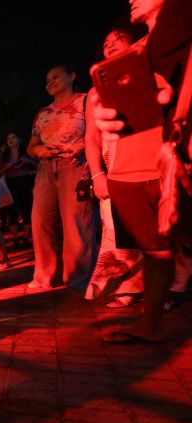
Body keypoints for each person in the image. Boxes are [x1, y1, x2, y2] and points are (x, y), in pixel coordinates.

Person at [91, 0, 184, 342]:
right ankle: (151, 324)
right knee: (155, 250)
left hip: (168, 162)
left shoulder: (176, 41)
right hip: (126, 170)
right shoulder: (134, 55)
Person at [84, 24, 146, 307]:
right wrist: (97, 174)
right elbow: (91, 138)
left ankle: (169, 287)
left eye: (118, 39)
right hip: (116, 166)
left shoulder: (147, 76)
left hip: (149, 160)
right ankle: (128, 286)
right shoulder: (96, 91)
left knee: (158, 229)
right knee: (115, 228)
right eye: (106, 41)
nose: (109, 44)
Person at [27, 64, 96, 291]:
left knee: (75, 223)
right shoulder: (43, 113)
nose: (50, 82)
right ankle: (46, 275)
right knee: (40, 222)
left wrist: (81, 147)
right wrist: (40, 151)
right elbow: (31, 146)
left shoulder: (86, 101)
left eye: (56, 76)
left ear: (72, 76)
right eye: (47, 79)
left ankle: (77, 277)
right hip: (46, 167)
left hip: (75, 164)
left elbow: (98, 133)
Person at [0, 132, 38, 249]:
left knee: (27, 210)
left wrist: (28, 162)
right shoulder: (4, 156)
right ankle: (15, 239)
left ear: (19, 140)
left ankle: (26, 238)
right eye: (8, 138)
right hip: (11, 184)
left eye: (13, 137)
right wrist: (6, 167)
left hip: (25, 182)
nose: (10, 140)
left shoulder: (26, 153)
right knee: (12, 212)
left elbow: (38, 166)